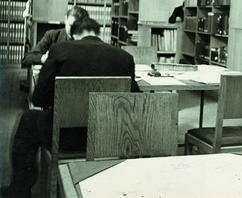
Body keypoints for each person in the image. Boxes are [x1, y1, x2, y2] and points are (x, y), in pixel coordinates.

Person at [1, 17, 140, 198]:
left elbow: (39, 98)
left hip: (66, 138)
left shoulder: (60, 50)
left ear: (74, 35)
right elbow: (135, 99)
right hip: (108, 137)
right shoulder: (124, 57)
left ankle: (20, 190)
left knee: (27, 120)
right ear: (99, 33)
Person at [21, 6, 89, 66]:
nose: (74, 31)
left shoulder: (88, 41)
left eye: (78, 27)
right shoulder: (52, 35)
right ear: (65, 19)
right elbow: (27, 58)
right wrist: (44, 58)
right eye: (71, 26)